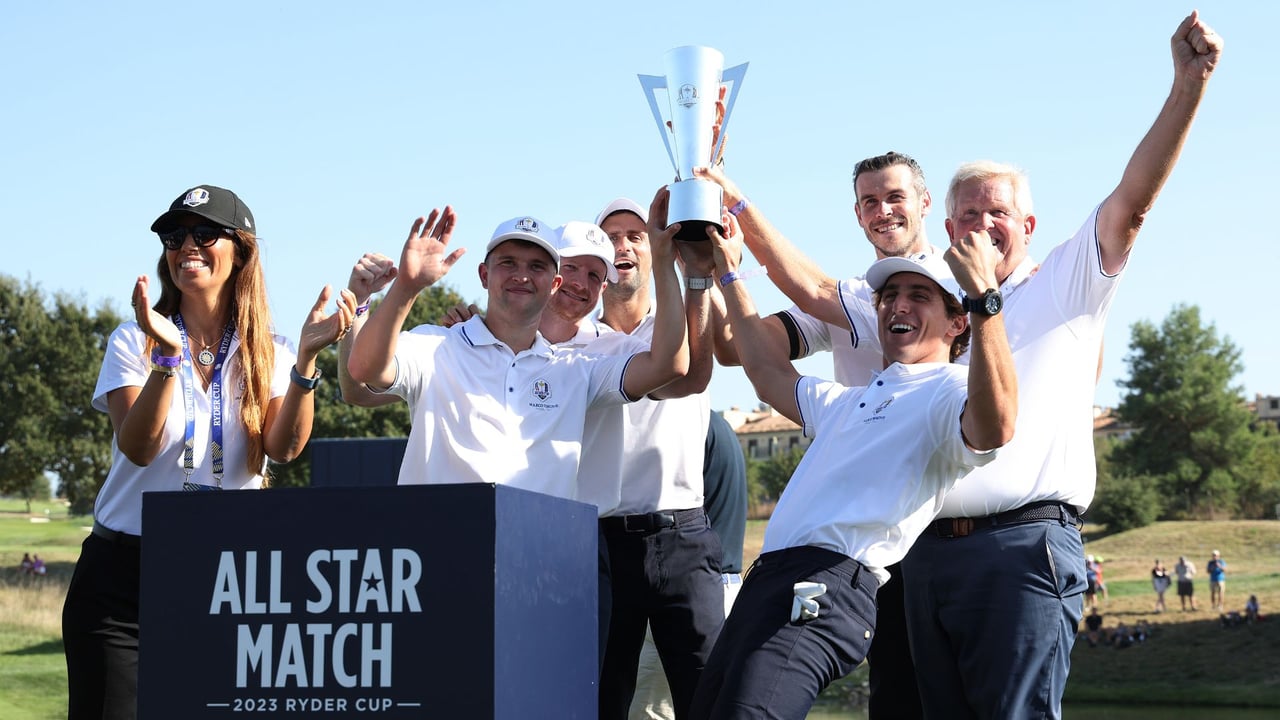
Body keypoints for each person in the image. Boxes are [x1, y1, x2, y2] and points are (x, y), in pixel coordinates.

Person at [879, 14, 1220, 718]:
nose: (981, 223)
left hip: (1021, 551)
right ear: (947, 230)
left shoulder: (1065, 283)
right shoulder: (941, 315)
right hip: (929, 557)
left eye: (997, 211)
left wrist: (1187, 85)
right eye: (967, 213)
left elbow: (1134, 202)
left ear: (1027, 226)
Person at [690, 224, 1018, 719]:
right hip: (769, 583)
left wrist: (985, 301)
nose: (897, 305)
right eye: (889, 295)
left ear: (956, 323)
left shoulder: (948, 390)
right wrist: (729, 273)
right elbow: (766, 372)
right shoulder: (853, 400)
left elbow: (996, 427)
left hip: (827, 583)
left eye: (919, 295)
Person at [62, 184, 354, 720]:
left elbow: (283, 449)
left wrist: (308, 359)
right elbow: (138, 448)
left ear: (240, 250)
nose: (185, 246)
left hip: (227, 576)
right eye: (174, 236)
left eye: (204, 233)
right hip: (123, 578)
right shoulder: (136, 339)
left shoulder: (271, 348)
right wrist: (167, 361)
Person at [697, 150, 937, 719]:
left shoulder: (954, 285)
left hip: (938, 524)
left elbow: (810, 288)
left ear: (926, 203)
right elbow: (742, 351)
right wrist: (710, 271)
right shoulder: (855, 295)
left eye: (896, 197)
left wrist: (733, 200)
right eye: (870, 202)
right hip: (862, 539)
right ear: (857, 215)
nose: (884, 211)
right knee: (893, 697)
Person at [345, 195, 689, 494]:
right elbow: (364, 370)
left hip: (542, 556)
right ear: (484, 274)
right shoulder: (436, 346)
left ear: (552, 283)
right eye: (508, 263)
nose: (522, 276)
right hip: (440, 549)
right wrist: (406, 287)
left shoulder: (573, 370)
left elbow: (668, 365)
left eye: (537, 267)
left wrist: (662, 260)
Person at [629, 410, 749, 720]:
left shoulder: (678, 425)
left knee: (650, 712)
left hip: (690, 585)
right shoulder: (716, 424)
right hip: (725, 586)